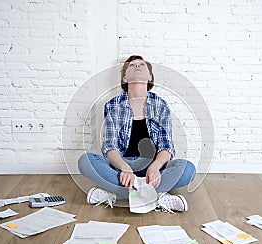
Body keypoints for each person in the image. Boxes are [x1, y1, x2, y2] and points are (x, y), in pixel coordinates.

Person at [78, 55, 196, 212]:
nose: (137, 66)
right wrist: (125, 168)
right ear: (125, 78)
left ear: (150, 77)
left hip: (151, 171)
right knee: (85, 161)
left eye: (142, 65)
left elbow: (166, 146)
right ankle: (157, 197)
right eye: (132, 65)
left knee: (187, 169)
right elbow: (109, 146)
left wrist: (155, 167)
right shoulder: (113, 105)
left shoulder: (161, 106)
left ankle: (116, 194)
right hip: (121, 167)